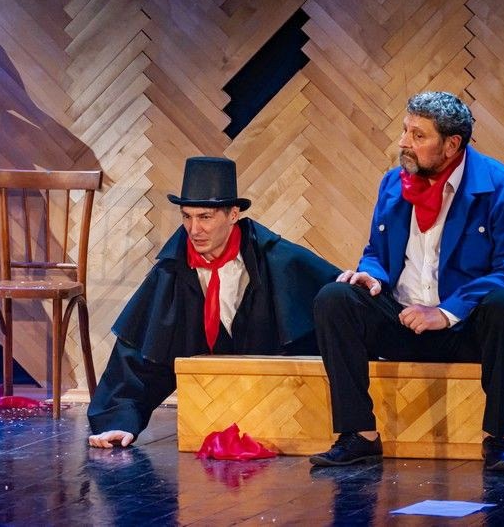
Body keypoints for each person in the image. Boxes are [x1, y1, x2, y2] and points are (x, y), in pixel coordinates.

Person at [309, 91, 504, 472]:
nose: (404, 142)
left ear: (451, 145)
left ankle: (497, 440)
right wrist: (371, 274)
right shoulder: (393, 183)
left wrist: (447, 312)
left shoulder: (503, 188)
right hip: (402, 320)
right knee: (335, 298)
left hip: (465, 328)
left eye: (418, 135)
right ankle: (359, 435)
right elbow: (376, 251)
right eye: (405, 130)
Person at [88, 156, 340, 448]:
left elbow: (333, 299)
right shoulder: (171, 273)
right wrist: (120, 422)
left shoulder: (275, 259)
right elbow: (137, 357)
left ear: (233, 214)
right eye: (187, 217)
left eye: (205, 217)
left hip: (280, 410)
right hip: (209, 413)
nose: (194, 230)